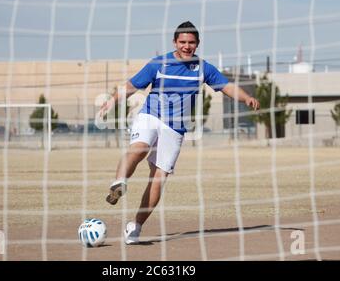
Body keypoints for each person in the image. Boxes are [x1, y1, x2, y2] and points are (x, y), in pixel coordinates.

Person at [98, 21, 259, 245]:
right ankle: (119, 183)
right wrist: (111, 101)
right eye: (182, 42)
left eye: (191, 42)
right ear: (175, 42)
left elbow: (227, 86)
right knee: (139, 148)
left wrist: (246, 97)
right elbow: (132, 86)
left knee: (159, 178)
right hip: (151, 116)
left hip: (175, 128)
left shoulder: (204, 68)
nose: (186, 46)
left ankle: (135, 226)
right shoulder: (159, 64)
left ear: (197, 44)